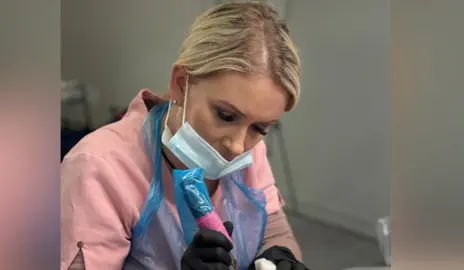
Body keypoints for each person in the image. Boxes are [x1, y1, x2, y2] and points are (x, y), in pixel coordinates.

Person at [61, 2, 309, 270]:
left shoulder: (250, 152)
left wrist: (280, 255)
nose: (238, 146)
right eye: (225, 116)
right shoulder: (99, 169)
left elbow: (271, 227)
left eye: (259, 129)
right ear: (180, 84)